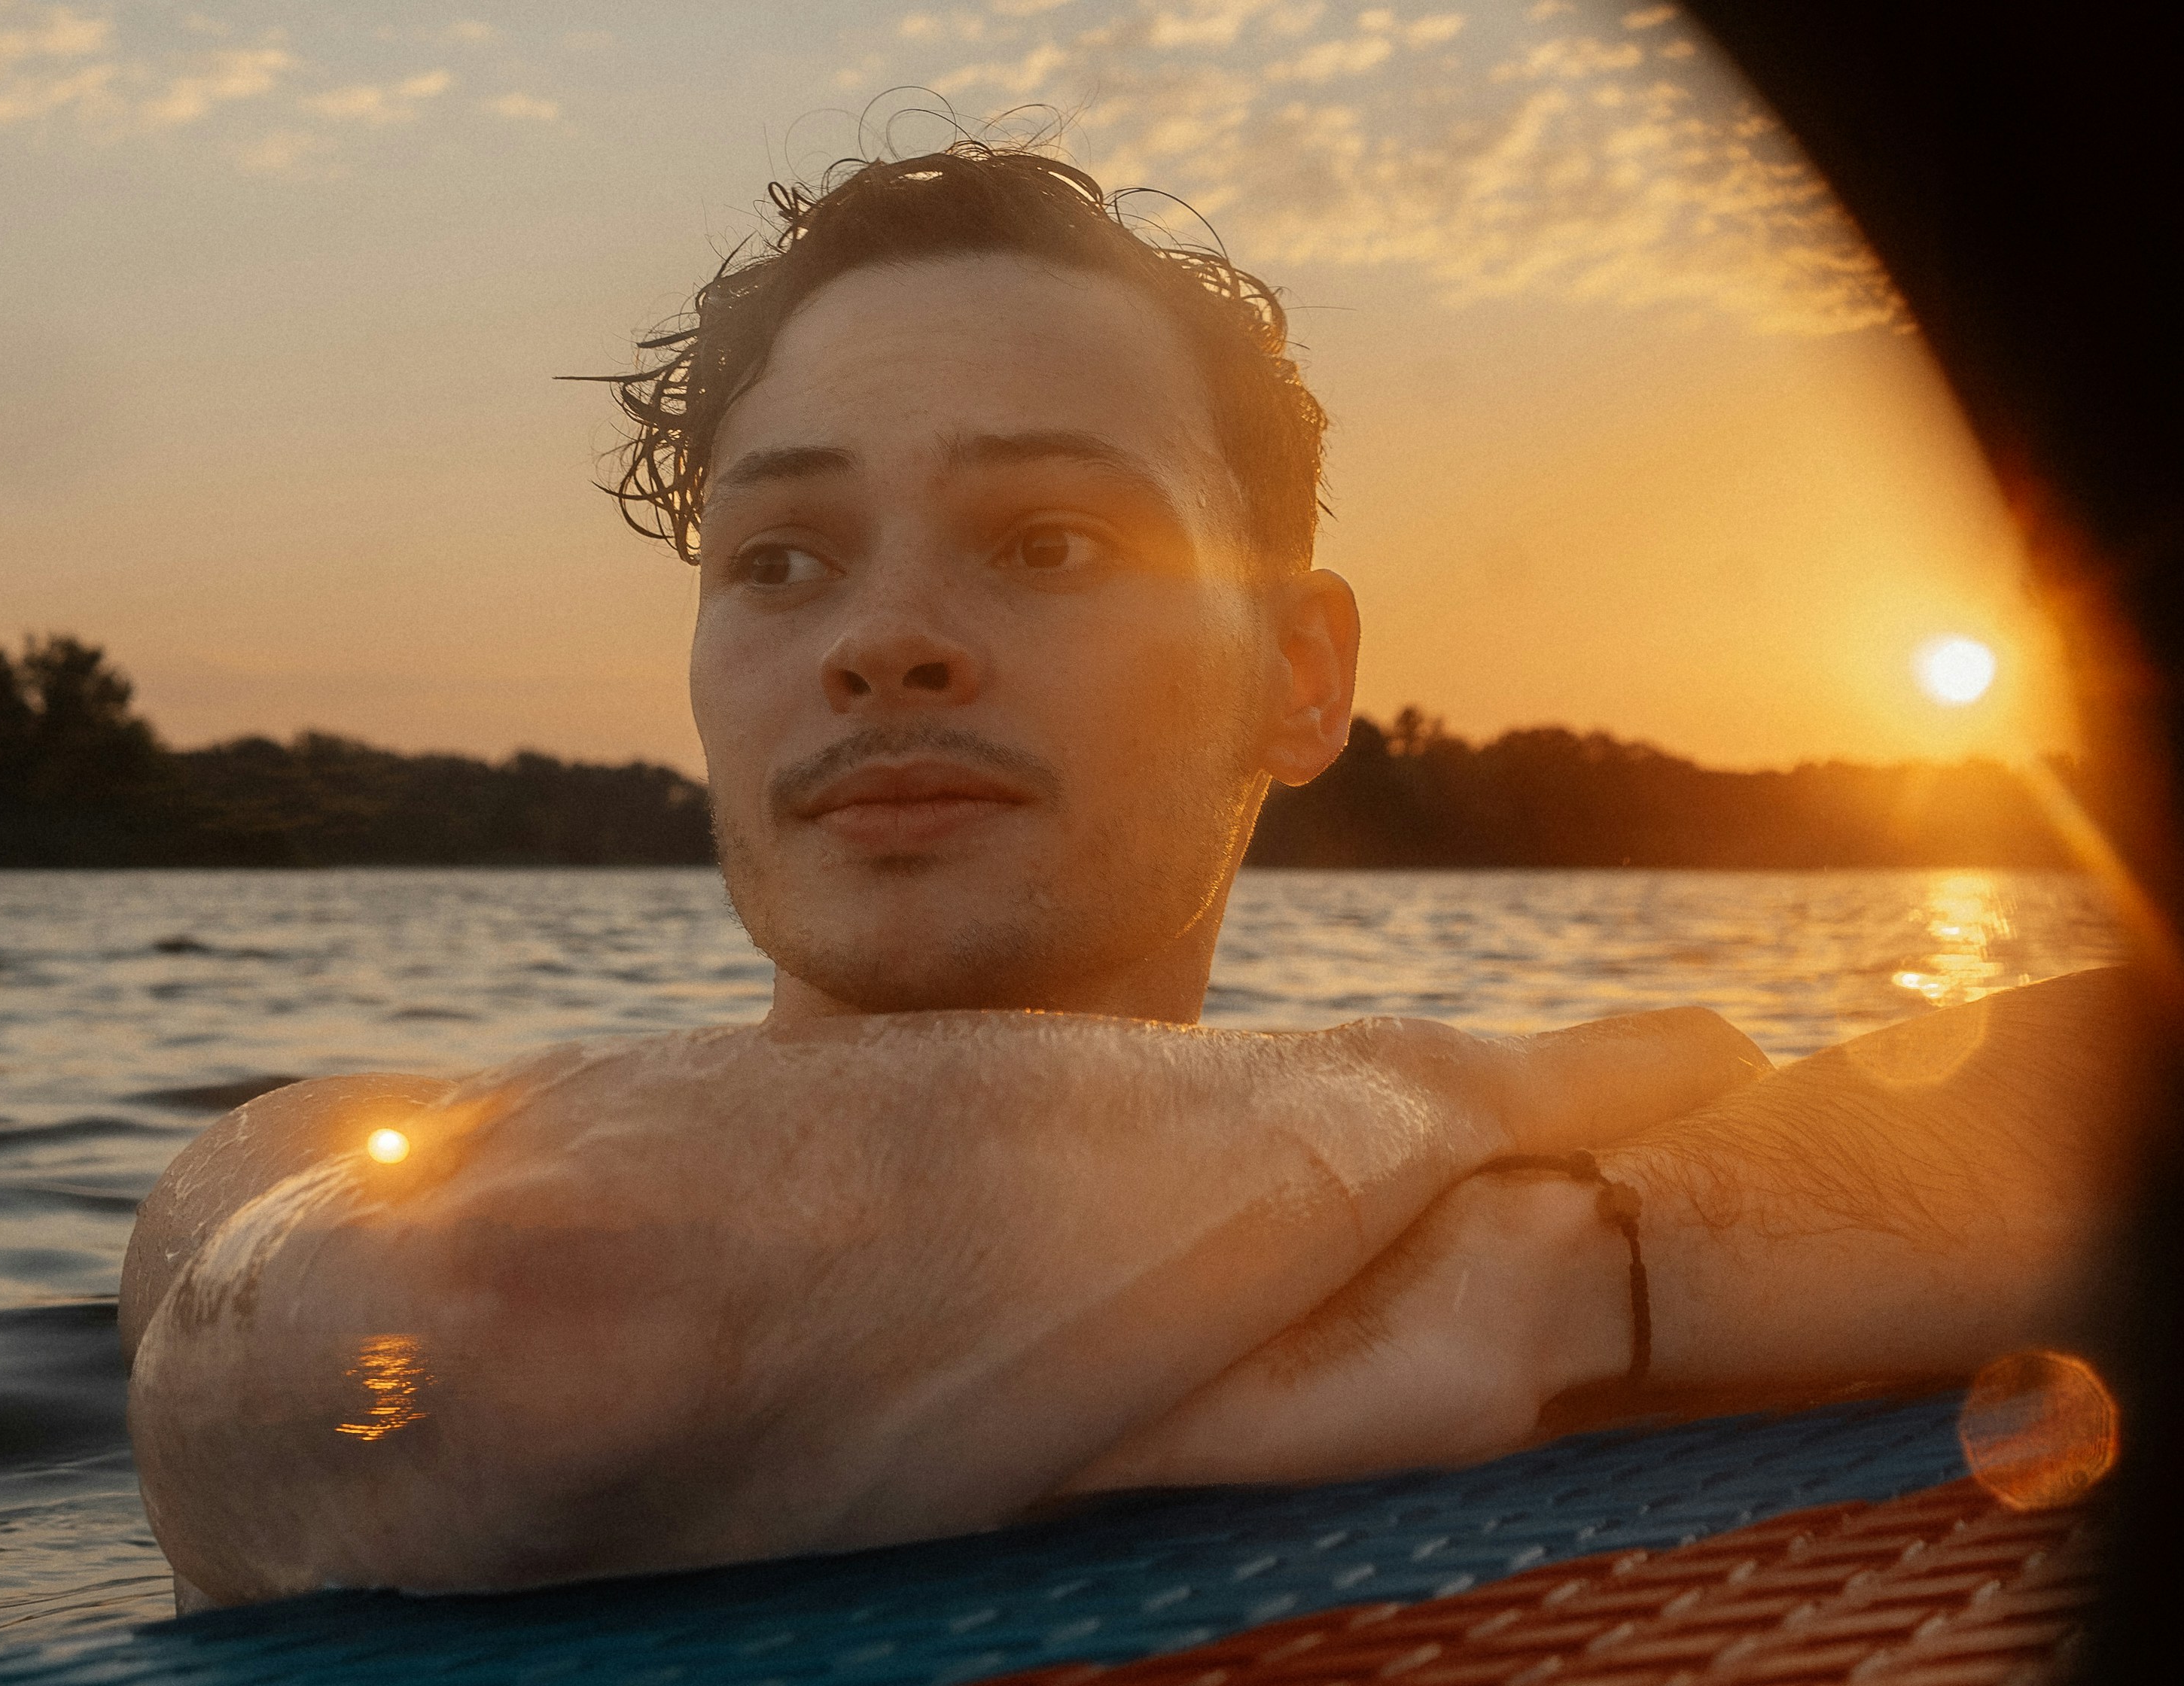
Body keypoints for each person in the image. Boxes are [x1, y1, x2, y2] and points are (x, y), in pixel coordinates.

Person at [120, 145, 2149, 1610]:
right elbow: (521, 1323)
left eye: (1048, 541)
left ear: (1298, 672)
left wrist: (1591, 1240)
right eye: (781, 562)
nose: (881, 641)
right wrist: (1510, 1213)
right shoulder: (343, 1156)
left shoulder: (1584, 1166)